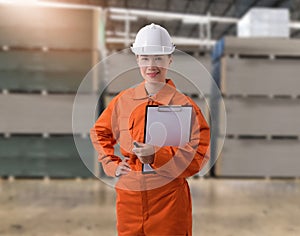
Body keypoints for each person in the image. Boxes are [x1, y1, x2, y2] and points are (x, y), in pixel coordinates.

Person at [90, 23, 210, 236]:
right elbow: (100, 132)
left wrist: (157, 154)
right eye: (145, 58)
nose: (151, 65)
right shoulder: (124, 101)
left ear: (170, 60)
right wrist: (112, 165)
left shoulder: (184, 106)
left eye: (158, 58)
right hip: (130, 197)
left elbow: (199, 155)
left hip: (168, 198)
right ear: (137, 60)